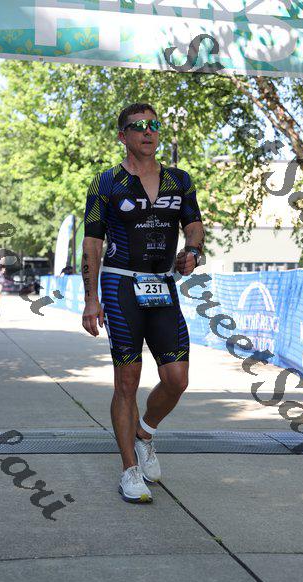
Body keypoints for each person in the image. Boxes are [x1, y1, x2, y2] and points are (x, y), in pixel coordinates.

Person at [81, 103, 205, 504]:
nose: (148, 132)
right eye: (138, 127)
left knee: (177, 378)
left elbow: (194, 225)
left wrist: (193, 251)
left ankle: (144, 433)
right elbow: (92, 243)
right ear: (123, 136)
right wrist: (91, 299)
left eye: (153, 125)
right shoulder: (106, 182)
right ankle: (129, 470)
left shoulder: (179, 180)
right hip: (121, 284)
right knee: (126, 382)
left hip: (163, 285)